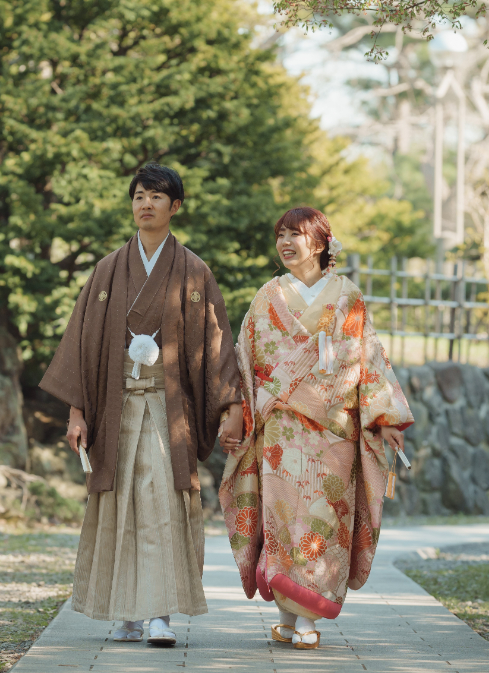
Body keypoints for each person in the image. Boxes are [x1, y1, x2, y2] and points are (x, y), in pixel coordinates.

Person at [40, 163, 244, 645]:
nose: (145, 204)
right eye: (138, 196)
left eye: (156, 196)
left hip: (166, 410)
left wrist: (230, 404)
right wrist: (76, 413)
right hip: (115, 408)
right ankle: (125, 610)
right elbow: (83, 342)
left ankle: (158, 613)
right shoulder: (109, 268)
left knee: (160, 504)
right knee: (119, 504)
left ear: (175, 206)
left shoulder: (193, 270)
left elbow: (216, 342)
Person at [218, 207, 414, 650]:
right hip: (281, 433)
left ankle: (306, 617)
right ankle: (289, 615)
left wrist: (386, 419)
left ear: (321, 243)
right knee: (281, 522)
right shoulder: (267, 297)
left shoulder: (348, 298)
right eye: (281, 235)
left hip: (333, 433)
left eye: (296, 235)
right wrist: (237, 413)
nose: (286, 243)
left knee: (324, 522)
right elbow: (243, 362)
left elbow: (370, 362)